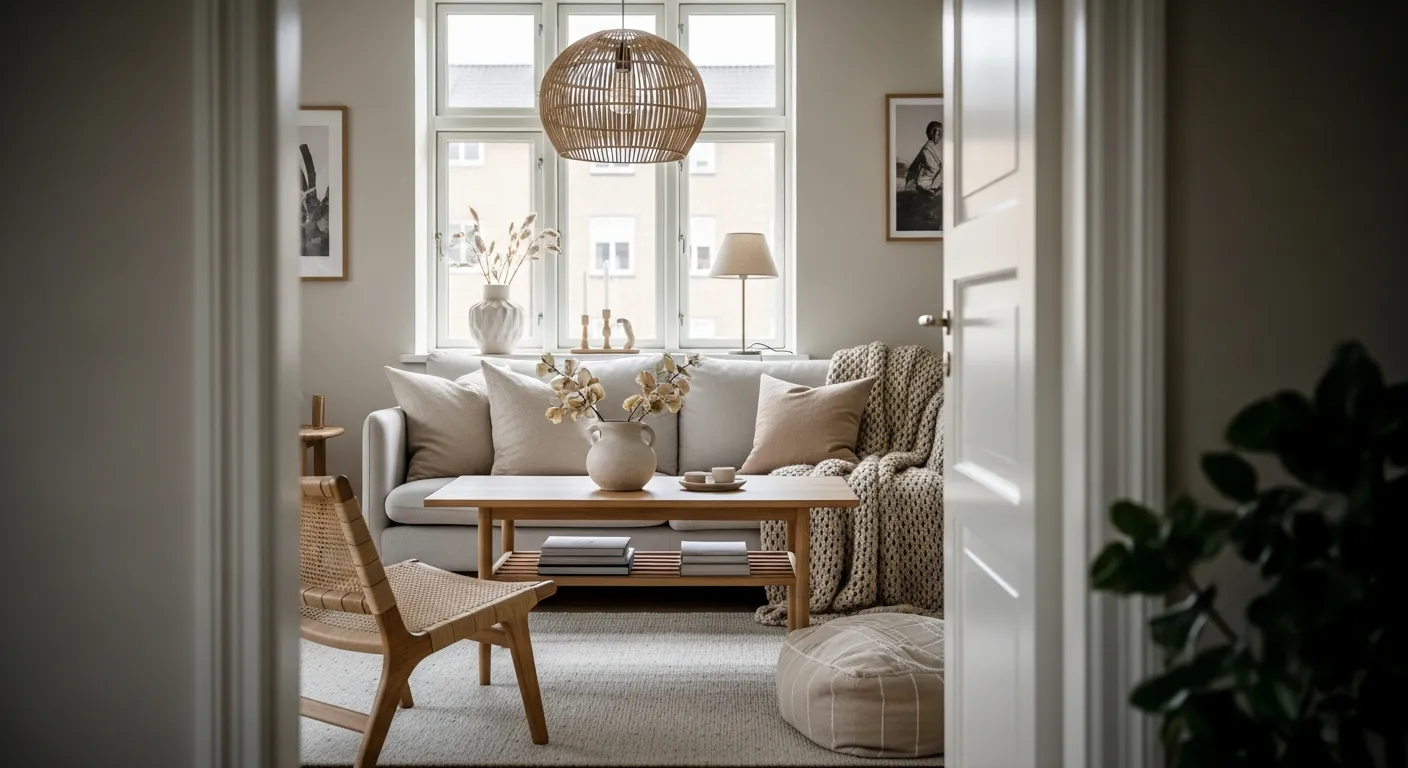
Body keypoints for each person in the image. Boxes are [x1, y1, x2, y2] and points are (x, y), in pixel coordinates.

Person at [904, 121, 943, 194]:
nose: (940, 136)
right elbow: (934, 170)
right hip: (916, 189)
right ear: (932, 133)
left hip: (920, 187)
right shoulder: (928, 149)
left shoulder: (931, 147)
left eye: (941, 133)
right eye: (938, 133)